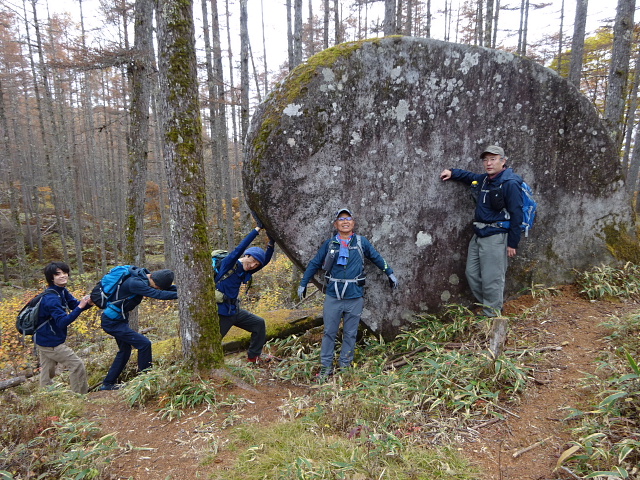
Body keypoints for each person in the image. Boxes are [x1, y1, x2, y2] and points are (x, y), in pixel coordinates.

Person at [298, 208, 398, 379]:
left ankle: (345, 366)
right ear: (335, 224)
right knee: (329, 331)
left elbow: (376, 257)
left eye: (348, 218)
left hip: (354, 295)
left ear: (353, 223)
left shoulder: (361, 242)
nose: (345, 221)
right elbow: (315, 263)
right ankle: (325, 367)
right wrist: (303, 283)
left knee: (350, 333)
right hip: (333, 295)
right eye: (341, 219)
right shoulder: (330, 244)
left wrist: (389, 272)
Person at [440, 145, 524, 317]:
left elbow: (517, 214)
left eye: (493, 159)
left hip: (496, 236)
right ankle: (491, 306)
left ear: (503, 161)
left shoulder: (510, 183)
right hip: (479, 234)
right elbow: (470, 177)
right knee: (471, 273)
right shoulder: (485, 180)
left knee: (492, 278)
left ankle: (491, 316)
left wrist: (512, 243)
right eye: (486, 160)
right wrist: (452, 172)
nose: (488, 163)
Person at [99, 267, 178, 390]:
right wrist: (183, 294)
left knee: (125, 351)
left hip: (119, 320)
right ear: (155, 282)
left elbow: (165, 290)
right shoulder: (135, 283)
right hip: (112, 322)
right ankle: (145, 382)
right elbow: (157, 294)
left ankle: (108, 383)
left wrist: (185, 289)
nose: (157, 289)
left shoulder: (144, 278)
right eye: (159, 287)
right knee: (144, 344)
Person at [215, 222, 275, 364]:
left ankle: (253, 356)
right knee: (214, 341)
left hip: (234, 311)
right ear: (246, 255)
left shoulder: (246, 269)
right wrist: (257, 229)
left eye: (256, 265)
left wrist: (271, 244)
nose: (253, 265)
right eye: (253, 260)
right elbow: (239, 248)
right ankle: (211, 365)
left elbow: (264, 262)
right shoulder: (229, 263)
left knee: (259, 324)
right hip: (222, 313)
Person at [35, 261, 92, 394]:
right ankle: (80, 397)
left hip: (44, 338)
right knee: (76, 365)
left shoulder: (61, 291)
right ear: (51, 278)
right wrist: (80, 306)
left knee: (48, 371)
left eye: (65, 273)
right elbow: (62, 322)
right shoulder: (51, 298)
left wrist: (89, 302)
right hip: (50, 342)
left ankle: (45, 397)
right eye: (58, 274)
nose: (63, 276)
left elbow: (75, 305)